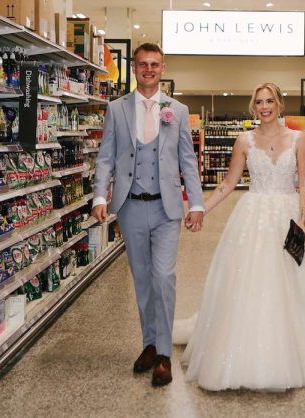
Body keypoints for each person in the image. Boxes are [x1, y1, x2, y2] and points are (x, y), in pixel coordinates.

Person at [175, 83, 305, 391]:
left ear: (279, 104)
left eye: (269, 100)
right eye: (259, 101)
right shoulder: (244, 140)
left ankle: (302, 350)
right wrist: (200, 209)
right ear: (253, 106)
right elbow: (228, 184)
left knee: (298, 285)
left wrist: (302, 222)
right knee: (250, 281)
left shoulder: (298, 139)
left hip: (289, 216)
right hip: (252, 218)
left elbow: (304, 183)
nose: (264, 106)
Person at [92, 43, 204, 387]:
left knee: (163, 277)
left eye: (155, 64)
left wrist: (196, 203)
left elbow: (188, 159)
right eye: (143, 64)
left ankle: (165, 355)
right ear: (135, 68)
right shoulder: (116, 108)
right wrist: (99, 195)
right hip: (129, 206)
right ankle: (149, 344)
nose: (149, 69)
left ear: (163, 68)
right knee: (141, 279)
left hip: (167, 206)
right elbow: (106, 157)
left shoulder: (178, 110)